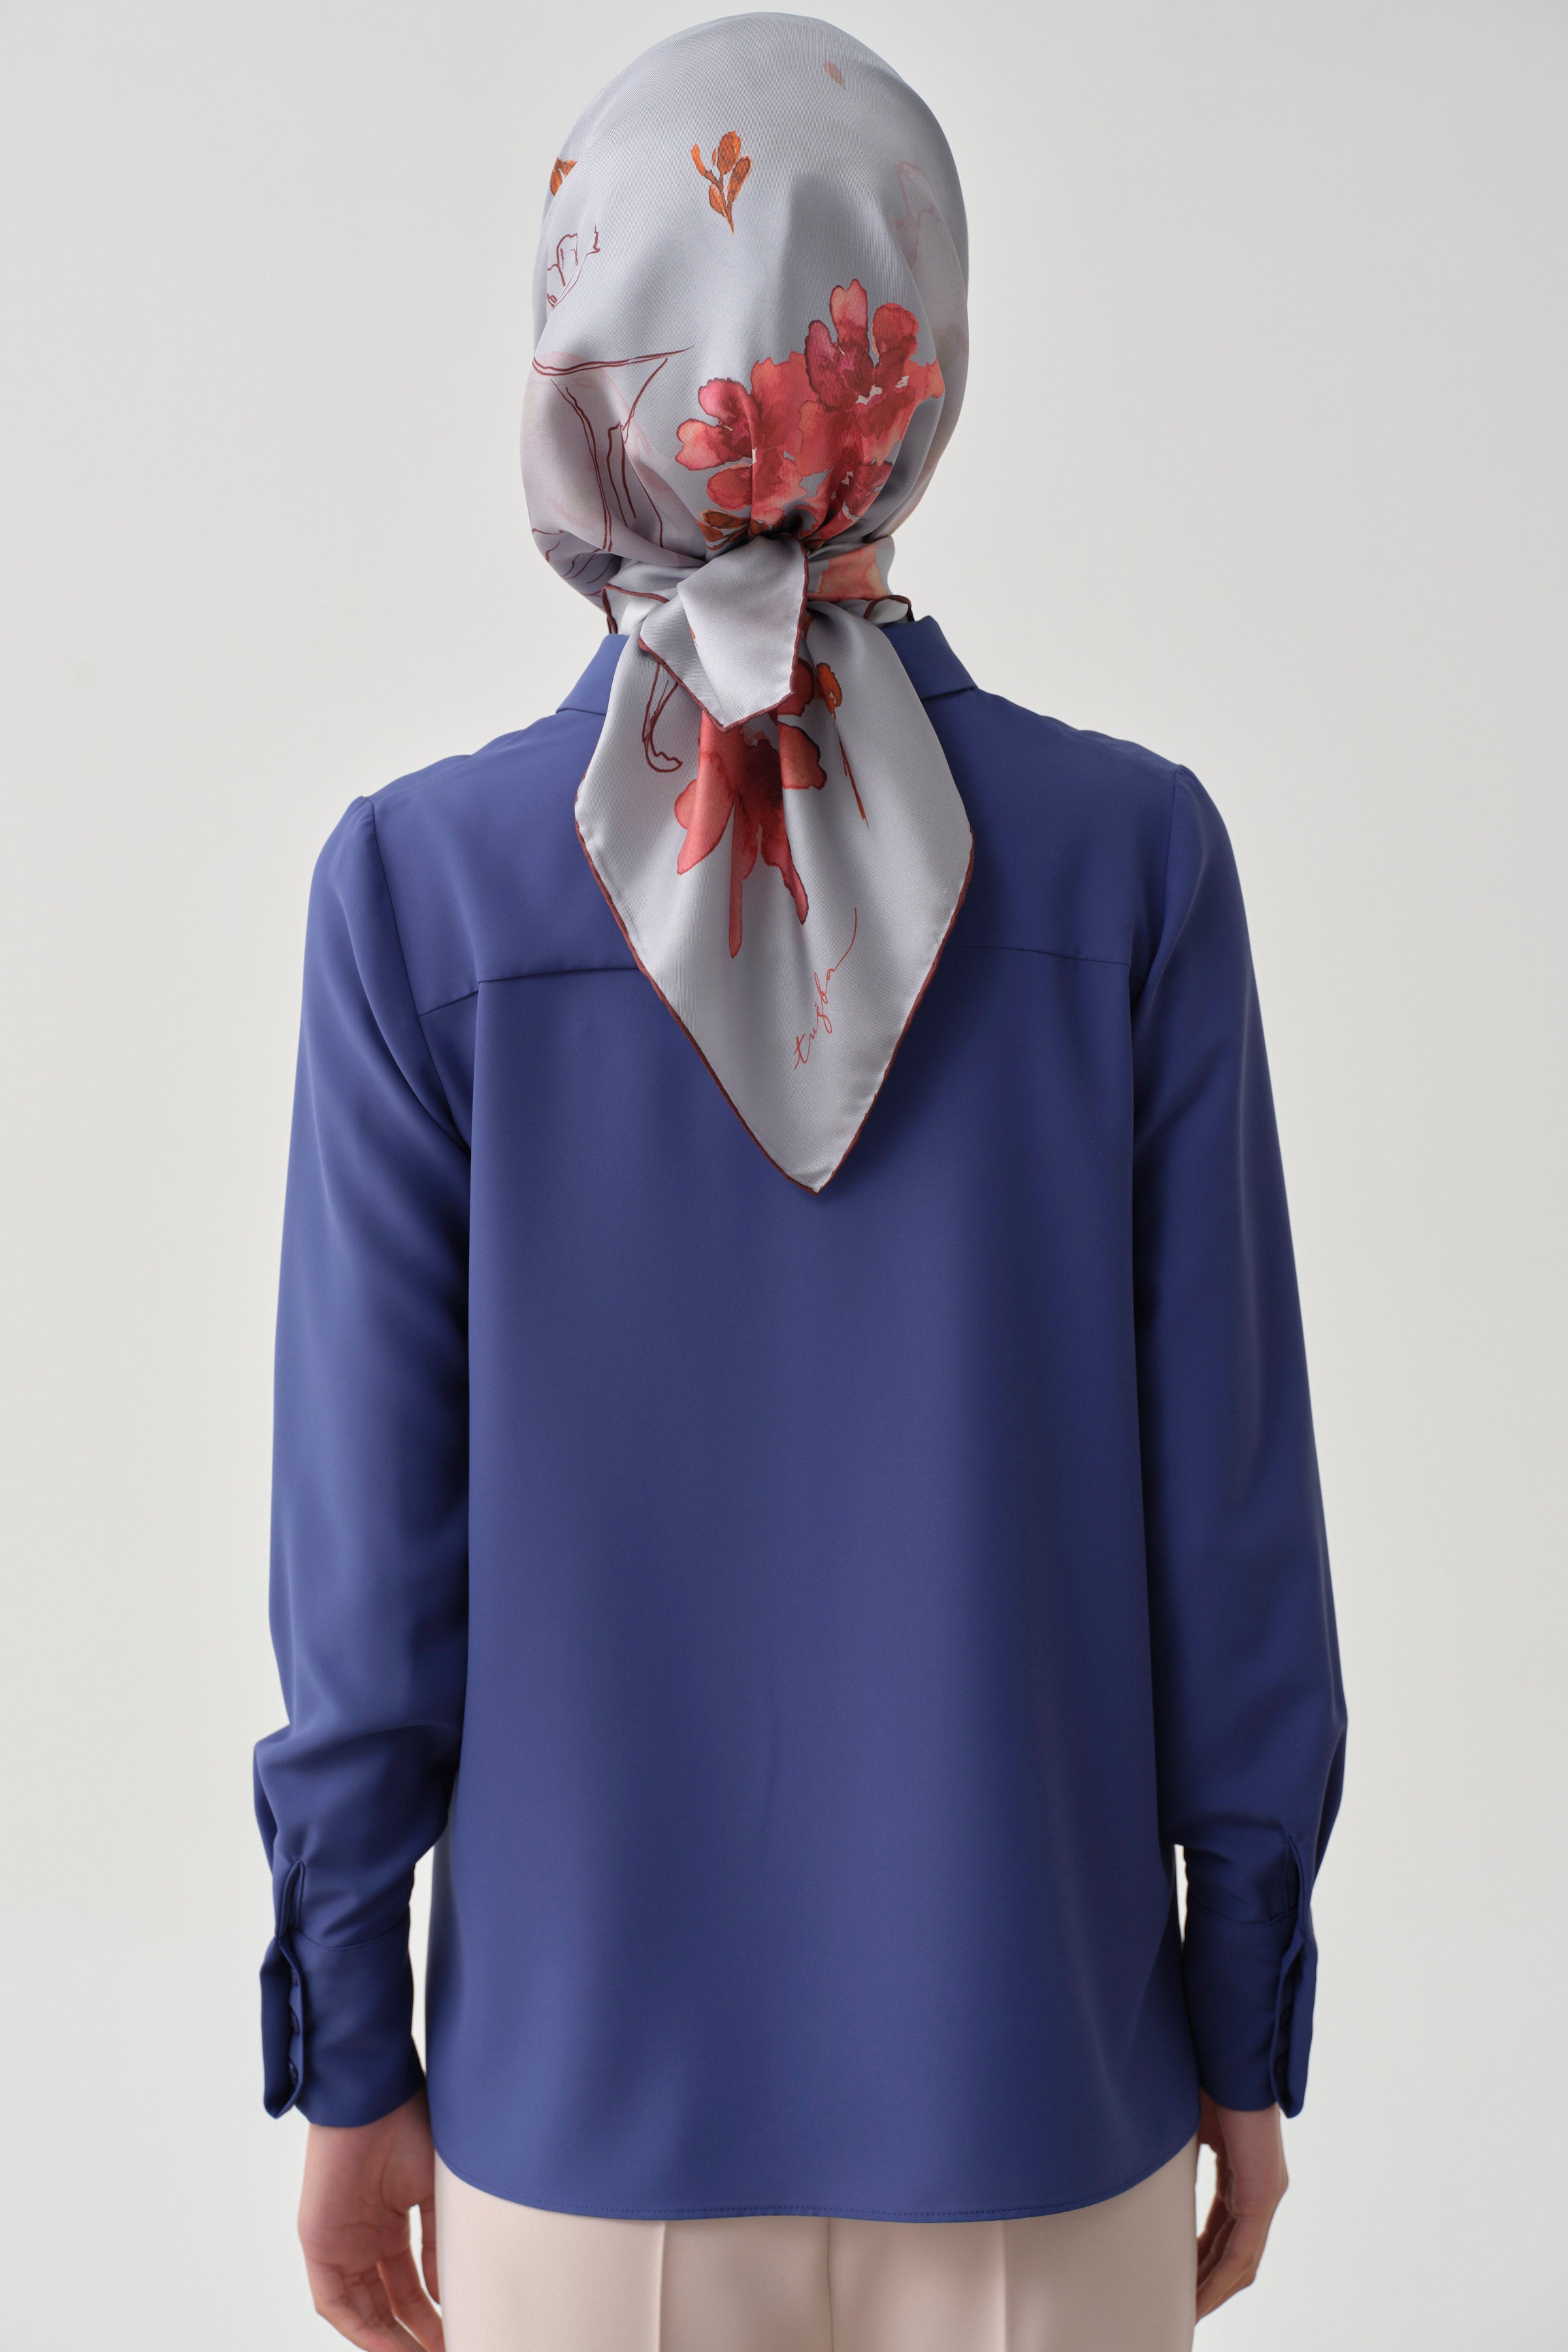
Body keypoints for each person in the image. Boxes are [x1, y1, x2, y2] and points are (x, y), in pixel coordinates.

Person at [254, 16, 1347, 2350]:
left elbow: (366, 1585)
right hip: (1043, 2098)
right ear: (916, 350)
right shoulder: (1135, 867)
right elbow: (1235, 1530)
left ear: (584, 346)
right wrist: (1245, 2017)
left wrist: (350, 2051)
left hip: (574, 2136)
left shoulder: (420, 896)